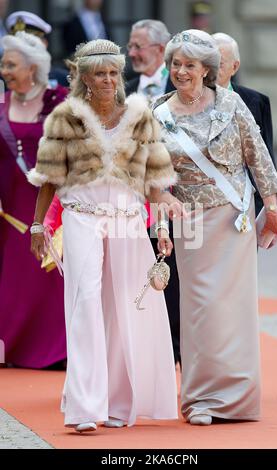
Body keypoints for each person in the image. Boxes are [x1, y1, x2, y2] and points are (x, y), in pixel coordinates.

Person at [28, 39, 178, 432]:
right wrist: (39, 225)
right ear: (84, 78)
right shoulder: (65, 117)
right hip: (81, 219)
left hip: (128, 222)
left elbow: (156, 180)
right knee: (85, 304)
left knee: (125, 310)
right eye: (100, 73)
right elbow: (48, 178)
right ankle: (83, 408)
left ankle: (119, 402)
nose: (109, 79)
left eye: (114, 72)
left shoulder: (141, 115)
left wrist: (161, 226)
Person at [153, 29, 277, 426]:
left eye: (189, 65)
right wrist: (160, 222)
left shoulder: (232, 104)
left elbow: (258, 156)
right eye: (176, 64)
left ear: (206, 69)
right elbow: (155, 177)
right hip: (190, 222)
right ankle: (201, 399)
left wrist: (274, 205)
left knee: (233, 309)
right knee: (199, 310)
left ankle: (238, 399)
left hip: (234, 219)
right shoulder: (158, 113)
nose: (181, 71)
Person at [0, 31, 67, 368]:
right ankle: (13, 347)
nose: (4, 70)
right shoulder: (0, 106)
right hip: (13, 207)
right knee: (18, 281)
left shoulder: (60, 101)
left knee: (52, 278)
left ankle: (57, 351)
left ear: (32, 67)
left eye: (11, 64)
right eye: (4, 65)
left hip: (54, 202)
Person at [126, 19, 181, 366]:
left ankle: (175, 348)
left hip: (174, 195)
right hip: (132, 195)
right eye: (130, 46)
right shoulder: (124, 89)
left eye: (137, 46)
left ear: (160, 50)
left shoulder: (181, 87)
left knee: (170, 269)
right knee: (137, 269)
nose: (131, 53)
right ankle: (142, 345)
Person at [212, 32, 276, 215]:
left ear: (235, 66)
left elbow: (266, 159)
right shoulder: (189, 101)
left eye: (220, 63)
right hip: (203, 204)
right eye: (209, 62)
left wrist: (267, 208)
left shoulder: (256, 101)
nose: (211, 69)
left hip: (245, 204)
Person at [6, 11, 69, 87]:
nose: (22, 49)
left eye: (29, 43)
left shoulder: (63, 79)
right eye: (17, 44)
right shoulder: (4, 79)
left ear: (44, 44)